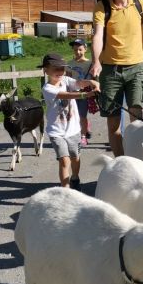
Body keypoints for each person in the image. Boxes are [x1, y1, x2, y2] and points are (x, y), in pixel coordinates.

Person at [89, 0, 143, 157]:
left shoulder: (139, 4)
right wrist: (96, 61)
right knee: (113, 123)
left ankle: (138, 160)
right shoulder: (101, 7)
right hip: (111, 71)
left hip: (136, 67)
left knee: (137, 118)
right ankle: (121, 163)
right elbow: (97, 36)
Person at [39, 53, 100, 190]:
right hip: (57, 132)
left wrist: (91, 82)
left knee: (75, 158)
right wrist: (86, 94)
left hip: (73, 130)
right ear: (45, 70)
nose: (59, 72)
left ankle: (75, 177)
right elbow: (64, 95)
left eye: (62, 68)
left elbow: (78, 83)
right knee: (64, 160)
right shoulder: (47, 88)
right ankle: (65, 191)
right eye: (55, 68)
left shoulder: (66, 80)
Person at [66, 38, 92, 146]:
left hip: (84, 92)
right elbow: (67, 78)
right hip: (73, 93)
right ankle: (82, 129)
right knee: (73, 115)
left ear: (85, 49)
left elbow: (94, 78)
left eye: (80, 49)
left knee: (82, 115)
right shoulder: (70, 63)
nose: (78, 52)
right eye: (75, 50)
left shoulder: (90, 63)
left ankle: (83, 136)